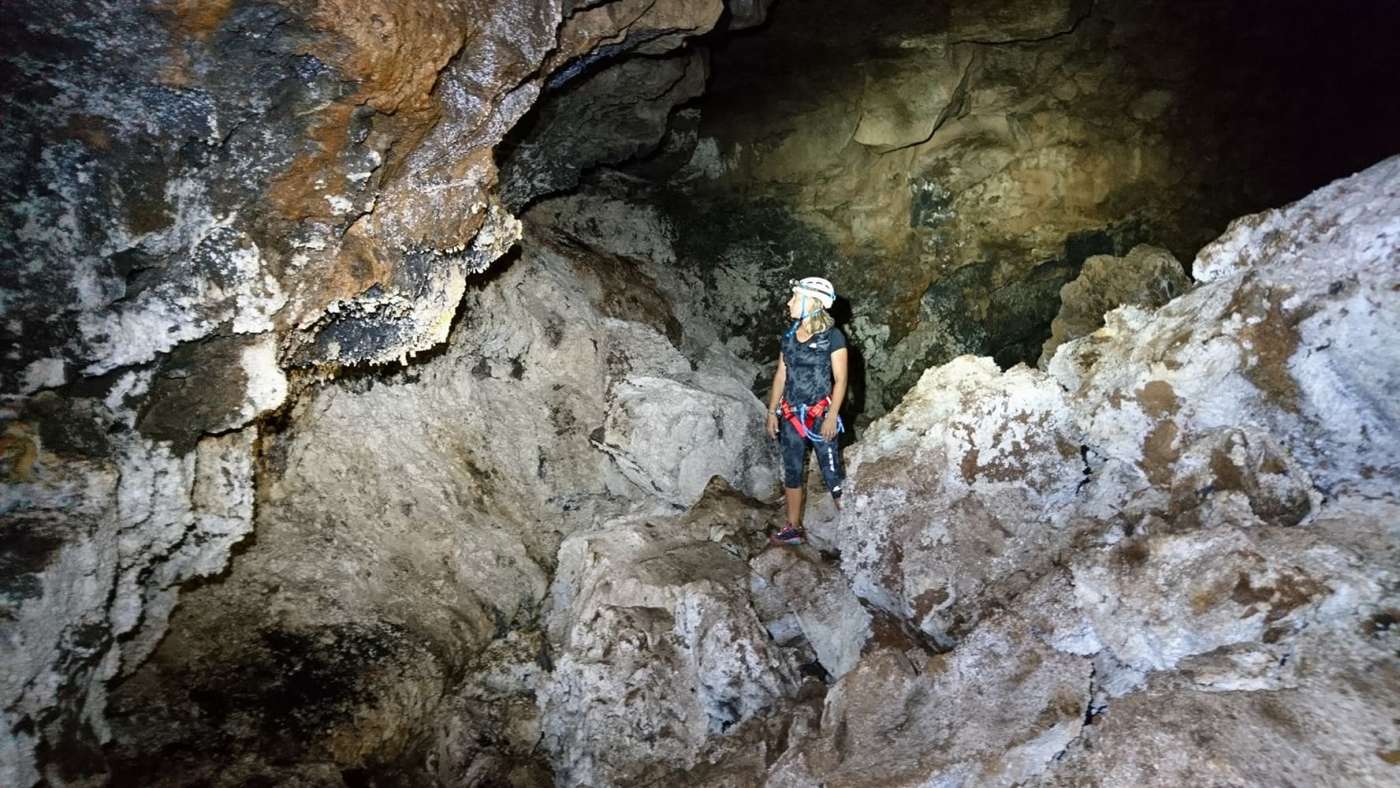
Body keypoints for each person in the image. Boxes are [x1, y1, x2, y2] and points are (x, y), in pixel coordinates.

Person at [765, 276, 848, 546]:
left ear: (811, 303)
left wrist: (833, 415)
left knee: (832, 475)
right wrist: (771, 412)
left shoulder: (833, 337)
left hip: (820, 414)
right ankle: (793, 527)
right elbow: (781, 374)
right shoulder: (789, 336)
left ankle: (856, 525)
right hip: (790, 415)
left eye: (794, 298)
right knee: (792, 471)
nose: (789, 302)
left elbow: (841, 379)